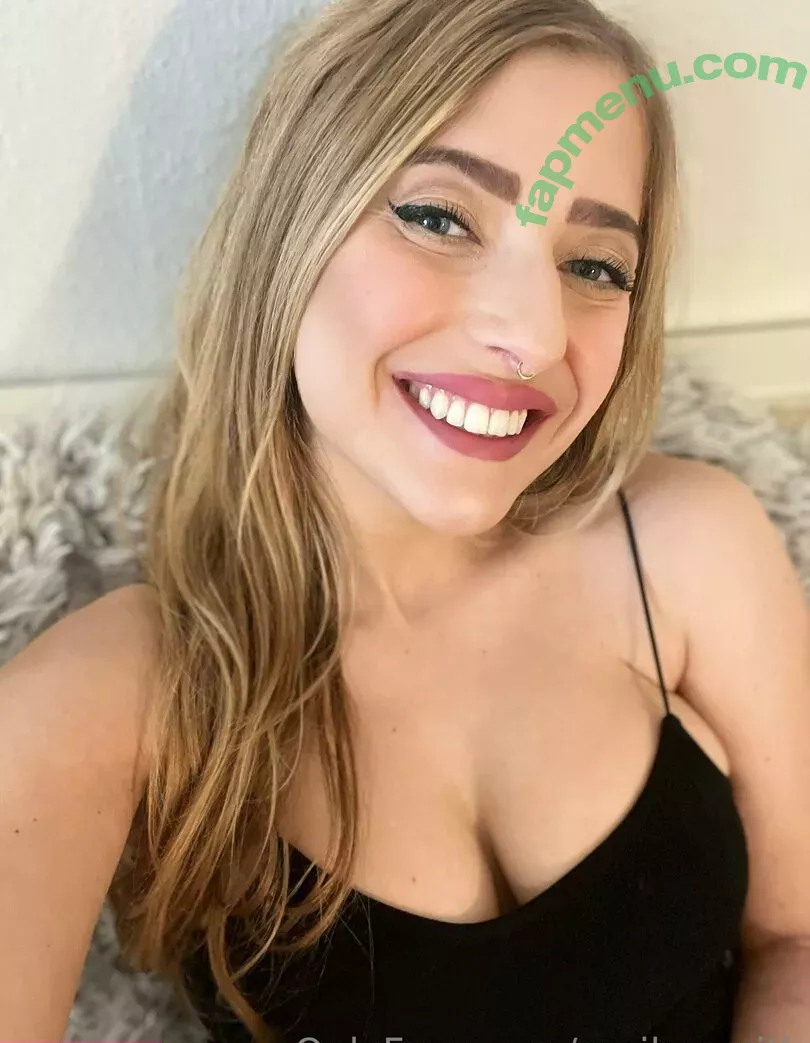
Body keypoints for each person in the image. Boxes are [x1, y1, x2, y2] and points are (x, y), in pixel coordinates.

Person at [2, 0, 810, 1040]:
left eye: (595, 266)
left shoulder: (689, 545)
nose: (532, 335)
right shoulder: (122, 693)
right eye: (438, 216)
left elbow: (797, 937)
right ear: (291, 225)